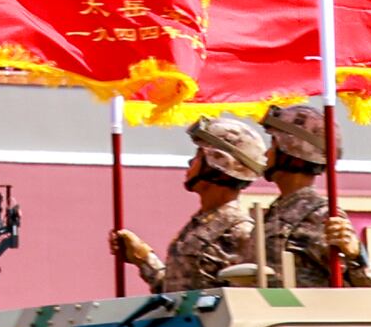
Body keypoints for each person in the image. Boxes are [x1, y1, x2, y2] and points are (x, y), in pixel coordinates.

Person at [112, 114, 280, 291]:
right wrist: (143, 258)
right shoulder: (202, 224)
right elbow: (176, 294)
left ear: (218, 164)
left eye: (198, 156)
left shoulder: (240, 233)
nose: (190, 162)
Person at [259, 104, 371, 288]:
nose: (267, 153)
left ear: (290, 150)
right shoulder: (275, 213)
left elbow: (366, 291)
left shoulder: (319, 215)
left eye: (273, 144)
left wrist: (355, 255)